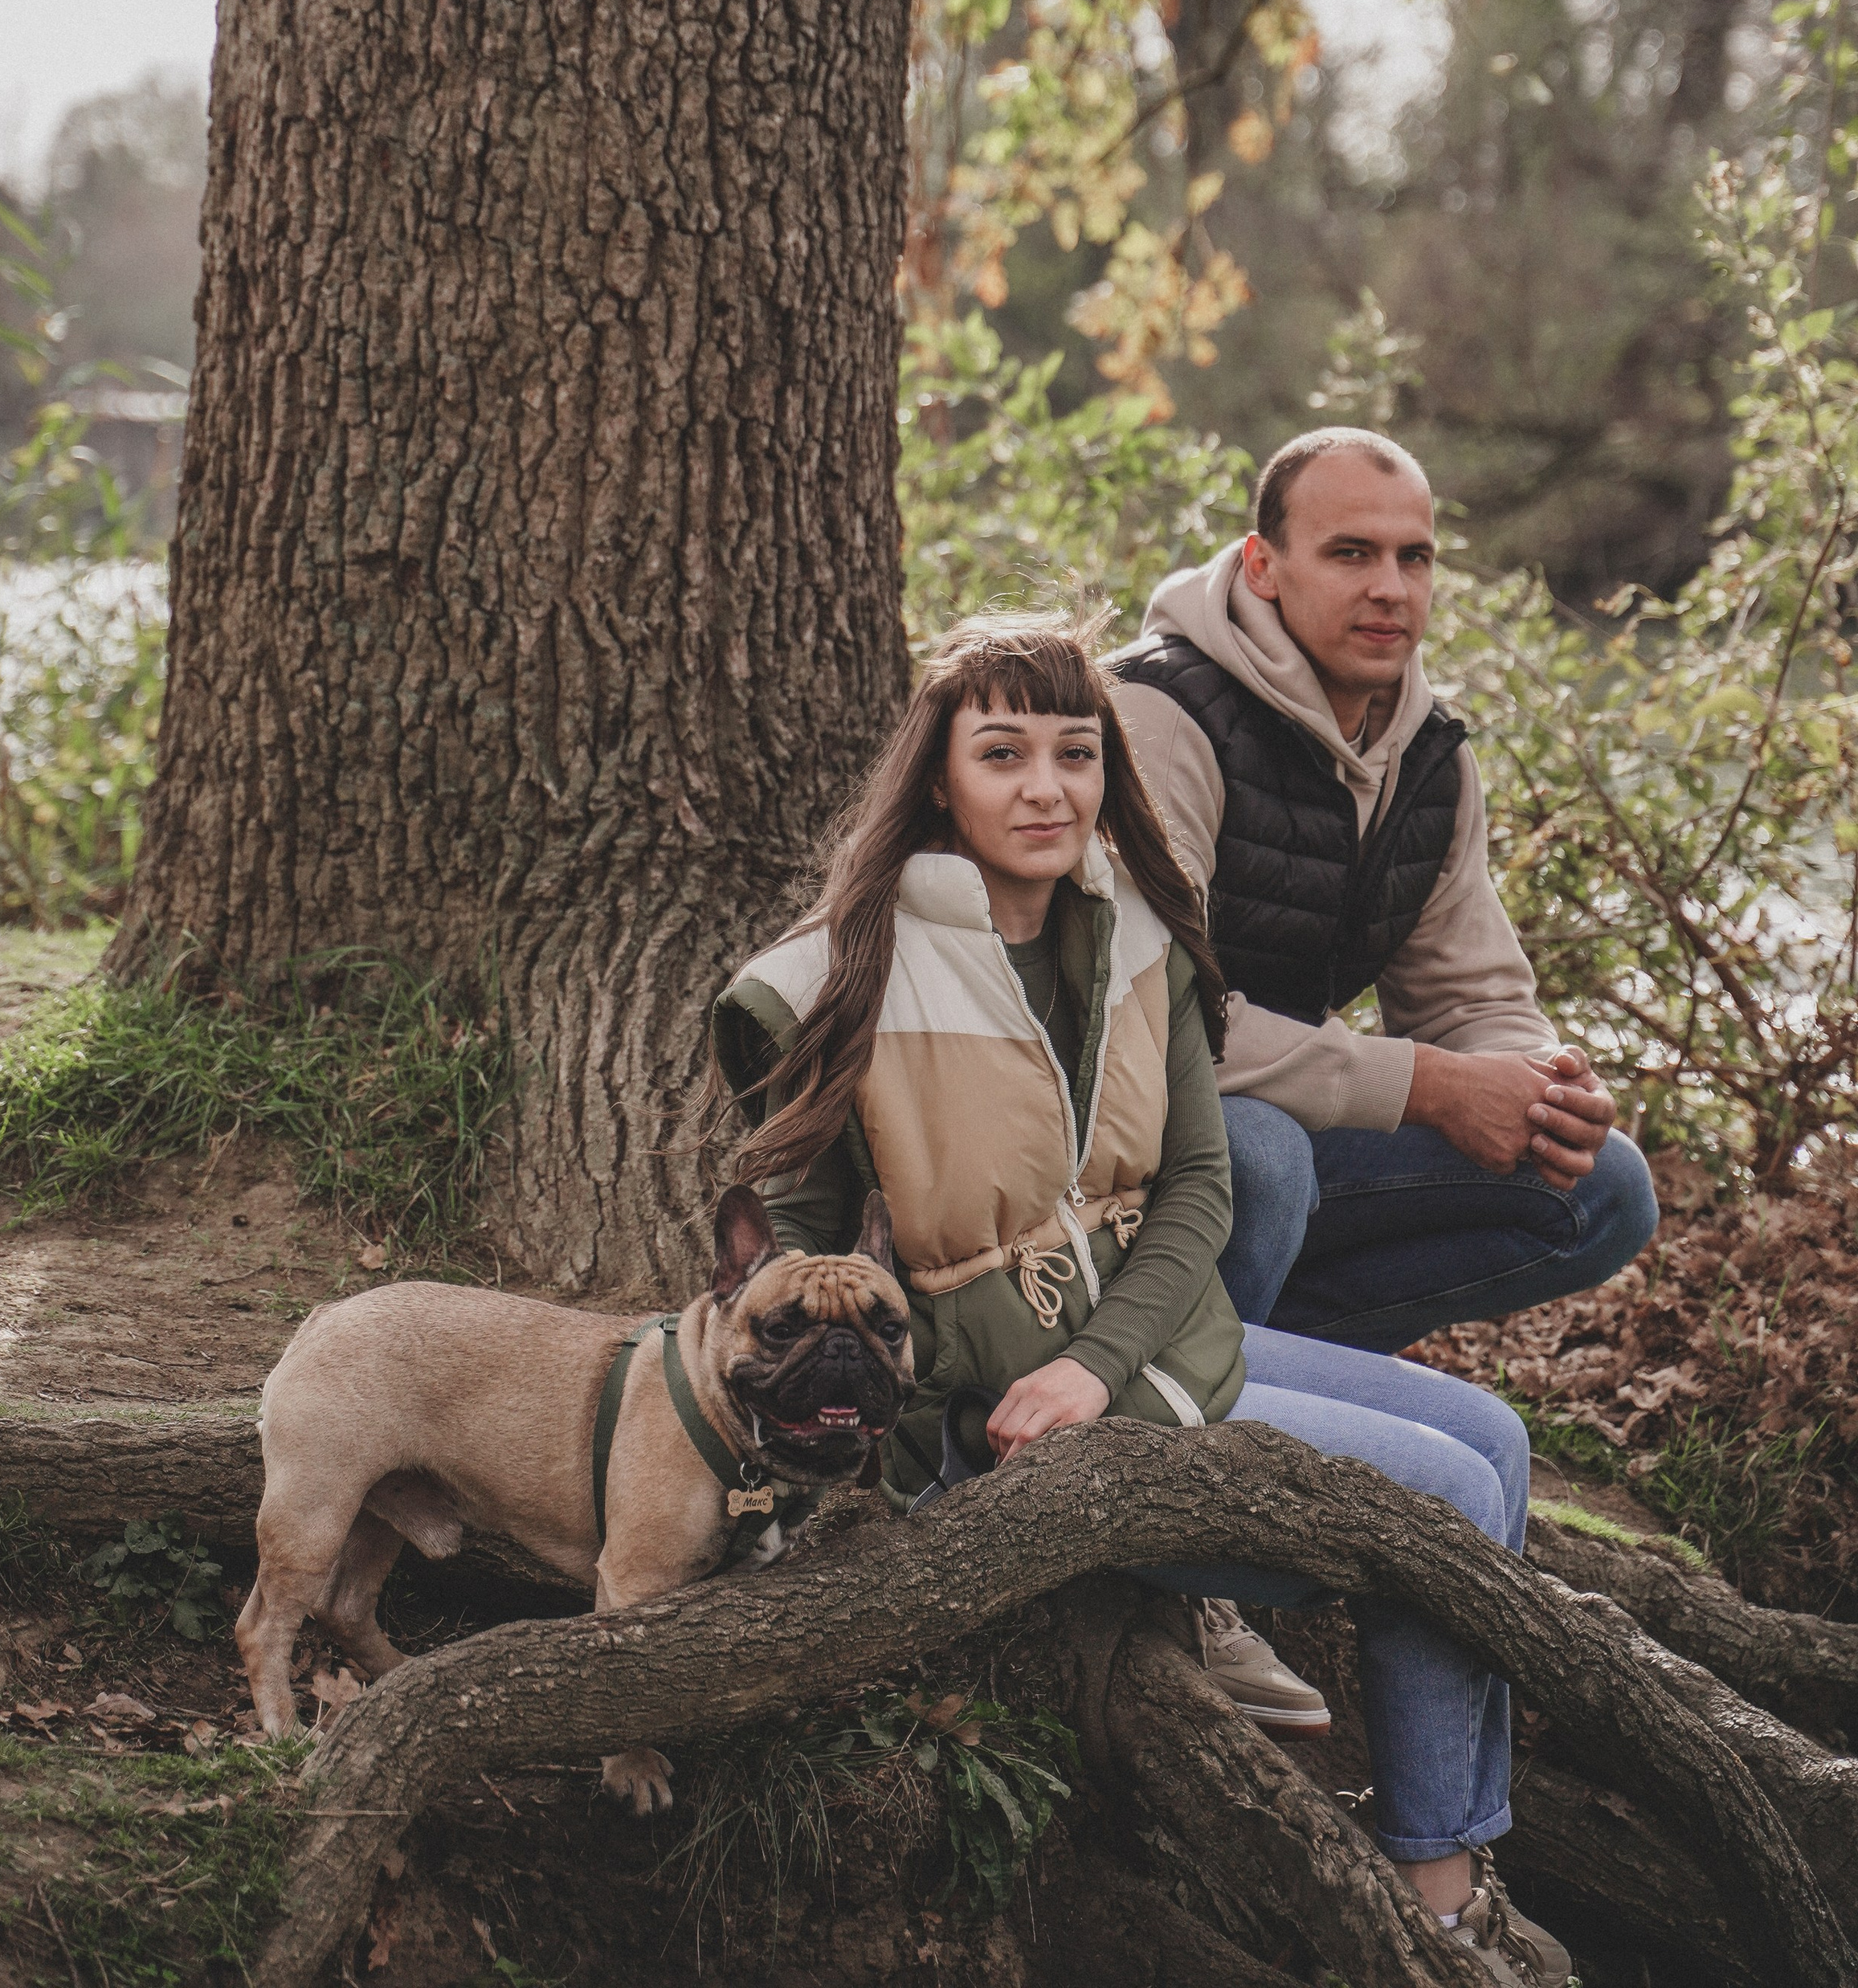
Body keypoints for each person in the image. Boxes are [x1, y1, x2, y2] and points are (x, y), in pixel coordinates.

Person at [710, 613, 1572, 1983]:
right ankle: (1433, 1903)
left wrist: (1104, 1366)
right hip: (991, 1423)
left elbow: (1195, 1198)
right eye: (1004, 755)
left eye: (1076, 752)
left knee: (1498, 1444)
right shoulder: (831, 979)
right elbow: (801, 1264)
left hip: (1143, 1357)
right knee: (1448, 1501)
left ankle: (1455, 1860)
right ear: (941, 777)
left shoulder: (1138, 935)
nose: (1047, 789)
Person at [1109, 427, 1658, 1357]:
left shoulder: (1427, 756)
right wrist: (1430, 1086)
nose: (1389, 589)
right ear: (1263, 565)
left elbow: (1469, 992)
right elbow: (1151, 1024)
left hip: (1275, 1111)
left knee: (1602, 1187)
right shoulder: (1159, 719)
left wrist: (1536, 1086)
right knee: (1261, 1158)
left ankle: (1276, 1386)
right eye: (1350, 553)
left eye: (1414, 558)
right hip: (1115, 1136)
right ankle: (1162, 1423)